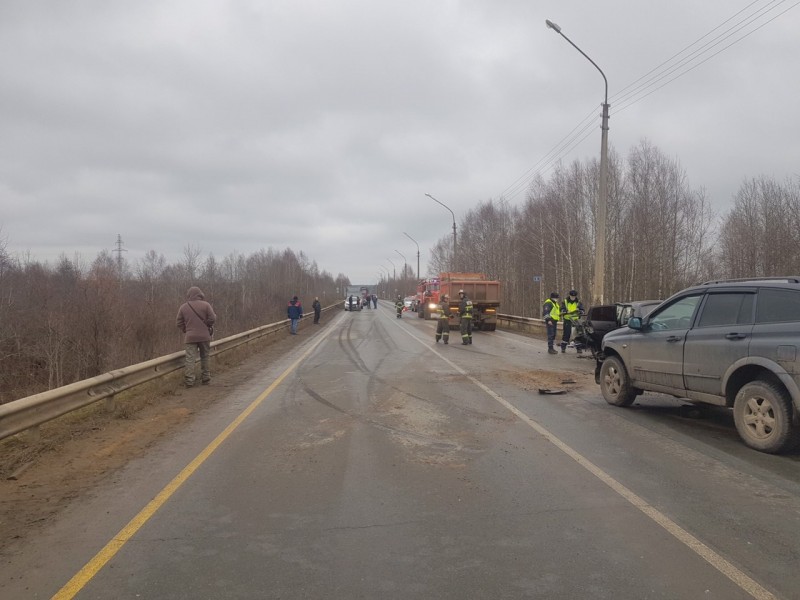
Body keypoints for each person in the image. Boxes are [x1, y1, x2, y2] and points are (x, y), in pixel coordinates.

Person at [176, 286, 216, 387]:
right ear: (200, 294)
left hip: (190, 337)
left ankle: (189, 381)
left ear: (189, 295)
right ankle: (206, 378)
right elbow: (213, 318)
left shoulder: (184, 307)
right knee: (205, 357)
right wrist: (207, 324)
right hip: (204, 336)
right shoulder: (206, 305)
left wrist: (186, 330)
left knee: (190, 359)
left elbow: (179, 322)